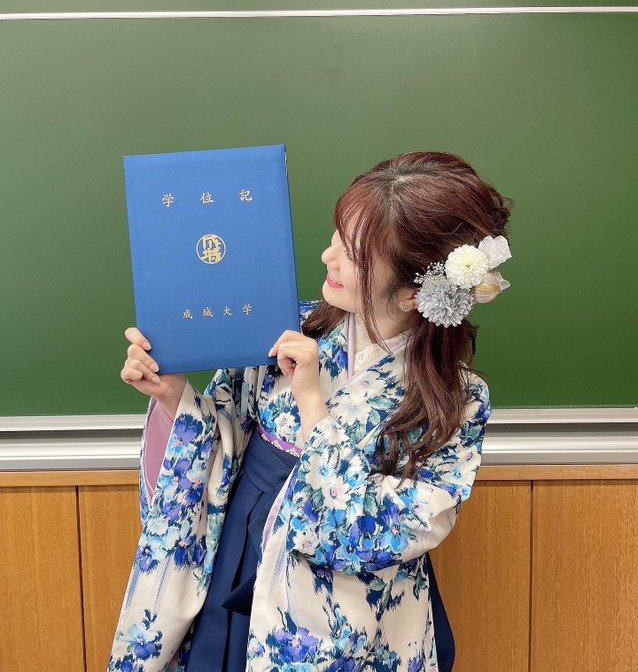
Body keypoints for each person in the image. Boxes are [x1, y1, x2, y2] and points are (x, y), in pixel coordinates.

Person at [109, 150, 513, 671]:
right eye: (336, 237)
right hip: (238, 554)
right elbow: (225, 436)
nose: (328, 257)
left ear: (414, 293)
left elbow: (386, 531)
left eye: (353, 254)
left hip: (342, 615)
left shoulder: (454, 398)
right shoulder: (289, 328)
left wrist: (311, 405)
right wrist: (172, 395)